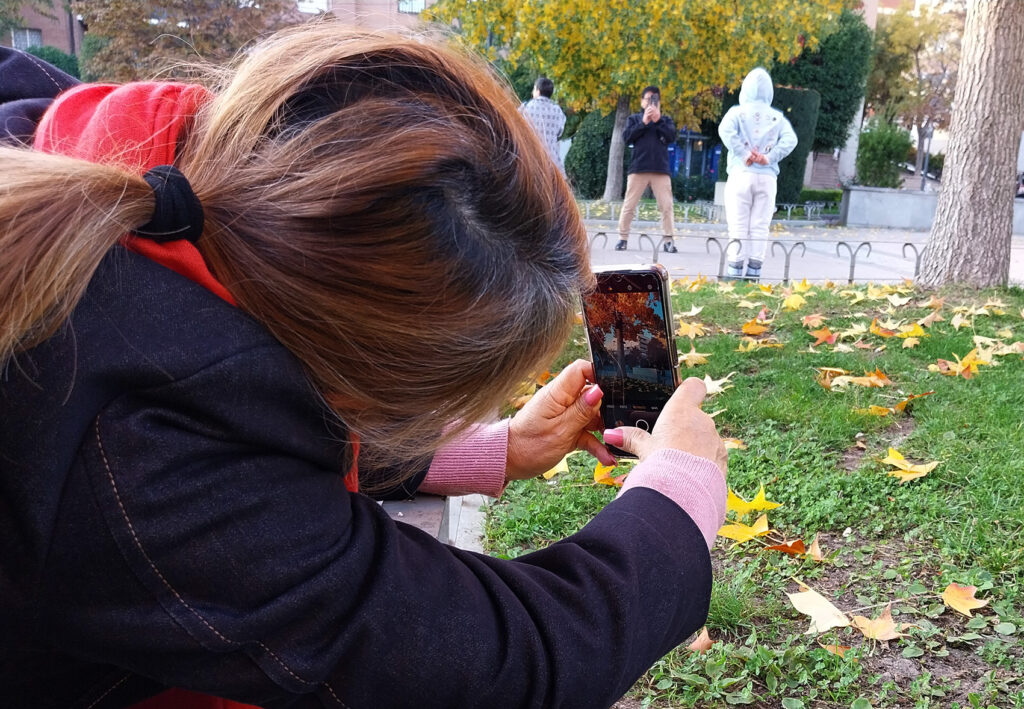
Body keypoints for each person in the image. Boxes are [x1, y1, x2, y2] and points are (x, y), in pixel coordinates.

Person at [0, 22, 727, 709]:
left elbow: (253, 406)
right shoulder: (145, 455)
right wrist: (678, 499)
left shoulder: (93, 143)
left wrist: (485, 449)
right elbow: (485, 663)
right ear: (353, 383)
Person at [717, 67, 798, 281]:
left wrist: (744, 153)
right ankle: (754, 272)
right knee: (761, 225)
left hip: (741, 174)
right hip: (767, 177)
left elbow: (725, 130)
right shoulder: (777, 117)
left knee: (738, 223)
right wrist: (769, 158)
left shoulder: (737, 112)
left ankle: (734, 271)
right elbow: (791, 140)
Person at [616, 86, 679, 253]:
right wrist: (644, 122)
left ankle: (668, 241)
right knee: (629, 205)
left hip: (661, 170)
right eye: (648, 99)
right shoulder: (634, 119)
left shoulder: (665, 120)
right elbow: (627, 137)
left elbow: (671, 137)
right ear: (642, 101)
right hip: (638, 168)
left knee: (666, 206)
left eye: (654, 100)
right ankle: (623, 238)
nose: (651, 103)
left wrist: (657, 120)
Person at [519, 76, 566, 172]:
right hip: (553, 163)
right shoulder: (557, 110)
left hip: (530, 160)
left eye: (534, 89)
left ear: (538, 91)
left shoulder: (525, 108)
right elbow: (560, 133)